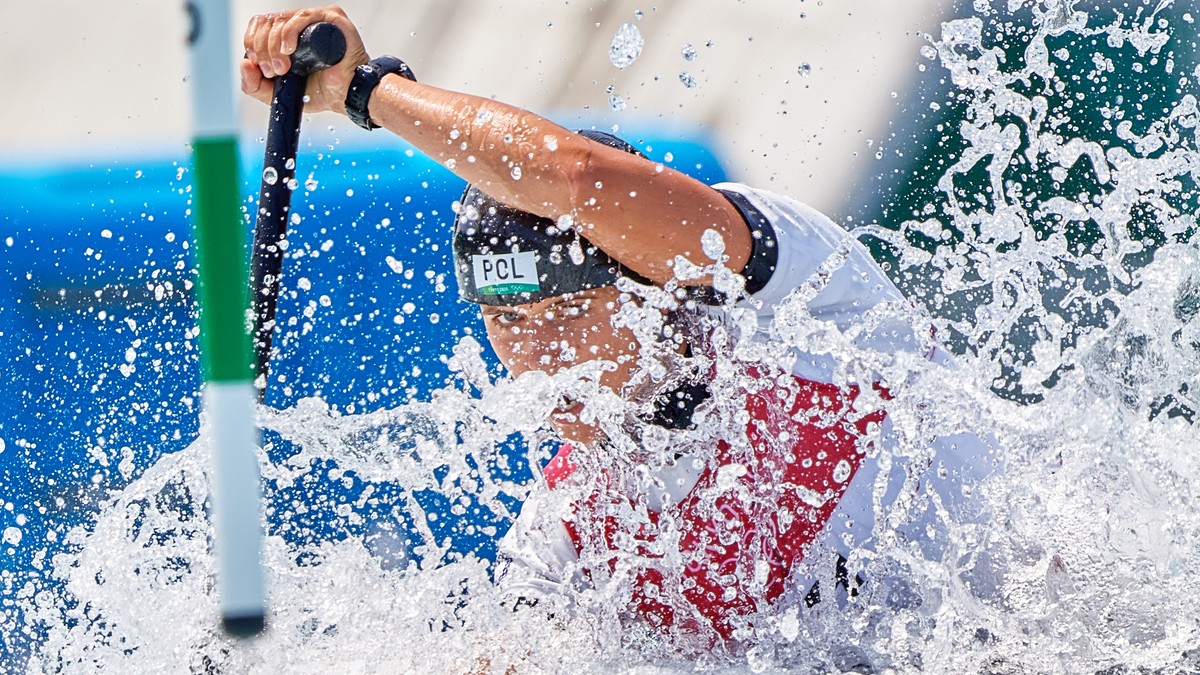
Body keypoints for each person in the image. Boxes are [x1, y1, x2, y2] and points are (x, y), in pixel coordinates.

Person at [241, 6, 1002, 644]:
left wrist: (368, 91)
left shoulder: (804, 306)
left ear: (658, 287)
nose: (541, 359)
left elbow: (582, 181)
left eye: (572, 310)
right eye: (507, 320)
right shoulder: (569, 533)